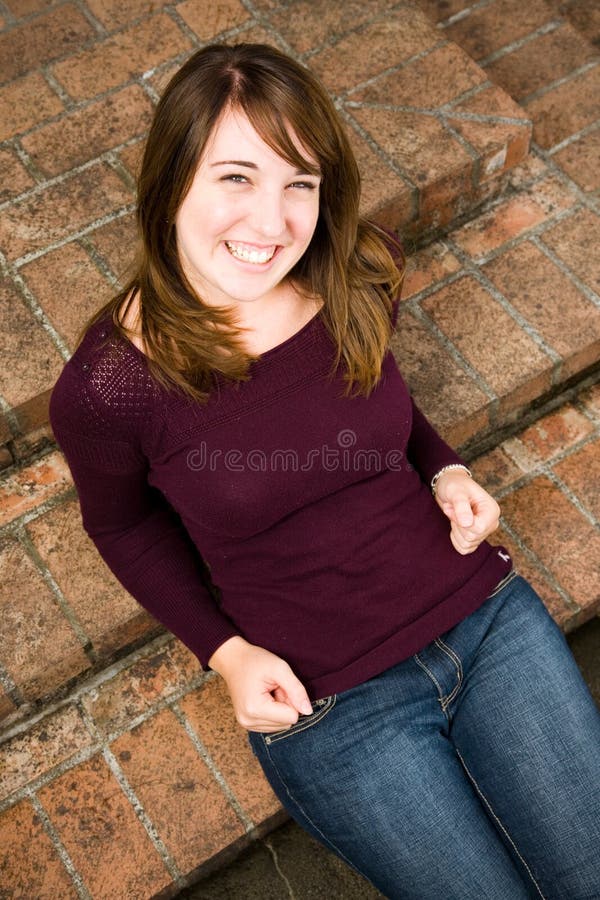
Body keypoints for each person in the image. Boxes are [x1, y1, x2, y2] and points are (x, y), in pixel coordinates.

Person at [49, 43, 600, 900]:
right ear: (170, 182)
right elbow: (121, 524)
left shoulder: (358, 265)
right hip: (334, 706)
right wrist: (225, 655)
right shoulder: (111, 384)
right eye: (237, 177)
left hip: (485, 622)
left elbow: (376, 399)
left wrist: (442, 468)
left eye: (298, 184)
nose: (272, 225)